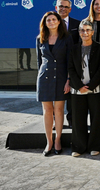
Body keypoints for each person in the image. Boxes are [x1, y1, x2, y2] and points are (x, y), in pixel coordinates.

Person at [36, 11, 73, 156]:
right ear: (45, 23)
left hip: (61, 77)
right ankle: (49, 142)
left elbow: (70, 61)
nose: (51, 22)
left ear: (59, 21)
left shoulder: (67, 38)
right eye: (48, 20)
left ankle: (58, 140)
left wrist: (68, 80)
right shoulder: (40, 38)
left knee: (58, 110)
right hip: (44, 77)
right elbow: (39, 62)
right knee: (47, 111)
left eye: (53, 19)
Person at [68, 20, 100, 157]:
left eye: (88, 30)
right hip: (77, 90)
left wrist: (90, 86)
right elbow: (70, 69)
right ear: (79, 32)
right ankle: (78, 146)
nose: (85, 33)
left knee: (96, 119)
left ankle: (95, 146)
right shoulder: (73, 48)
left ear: (92, 32)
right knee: (78, 119)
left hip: (95, 89)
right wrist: (79, 86)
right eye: (82, 30)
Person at [56, 0, 81, 128]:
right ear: (56, 8)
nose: (63, 9)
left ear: (70, 9)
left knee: (72, 96)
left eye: (66, 7)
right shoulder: (50, 23)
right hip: (57, 66)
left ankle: (72, 121)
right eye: (61, 6)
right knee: (56, 94)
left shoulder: (78, 24)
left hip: (73, 65)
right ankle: (57, 122)